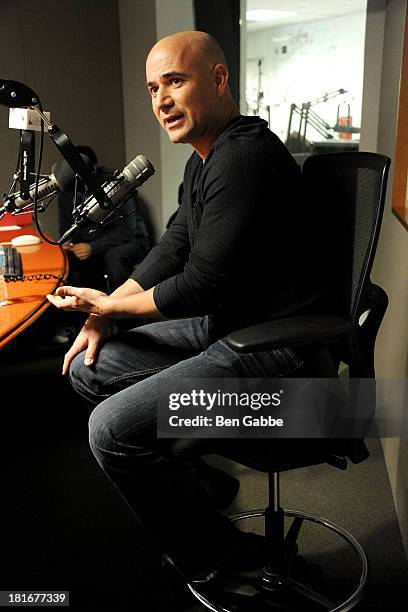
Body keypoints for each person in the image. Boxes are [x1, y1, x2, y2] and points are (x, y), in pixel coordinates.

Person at [47, 31, 311, 584]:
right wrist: (106, 312)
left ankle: (230, 561)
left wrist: (113, 309)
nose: (161, 99)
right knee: (92, 367)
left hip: (276, 351)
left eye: (175, 81)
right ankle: (197, 487)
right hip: (232, 329)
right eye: (152, 87)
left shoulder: (242, 156)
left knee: (109, 431)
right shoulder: (204, 161)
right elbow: (173, 248)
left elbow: (198, 285)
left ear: (218, 81)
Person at [57, 145, 151, 292]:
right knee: (66, 263)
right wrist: (68, 243)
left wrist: (93, 248)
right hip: (93, 242)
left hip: (128, 240)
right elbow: (66, 227)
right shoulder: (68, 189)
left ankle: (123, 308)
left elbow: (127, 231)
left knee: (115, 258)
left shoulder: (114, 184)